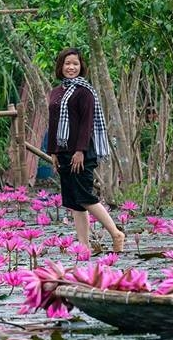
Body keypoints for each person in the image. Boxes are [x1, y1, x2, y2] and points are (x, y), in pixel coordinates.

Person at [47, 47, 125, 254]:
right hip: (63, 152)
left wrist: (80, 150)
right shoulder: (56, 92)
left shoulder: (85, 92)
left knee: (84, 196)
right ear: (60, 66)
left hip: (80, 152)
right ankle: (84, 245)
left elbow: (86, 123)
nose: (71, 67)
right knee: (74, 202)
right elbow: (53, 123)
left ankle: (116, 233)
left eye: (75, 64)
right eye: (67, 63)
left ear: (81, 67)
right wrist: (53, 152)